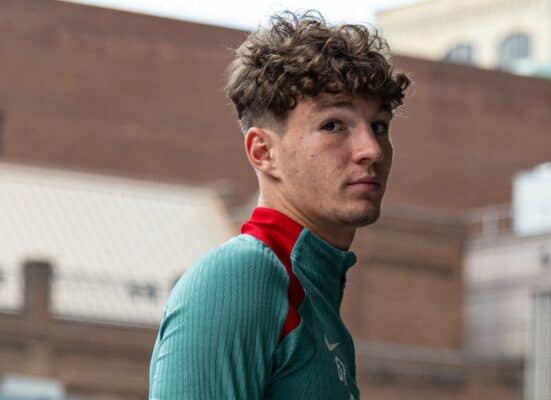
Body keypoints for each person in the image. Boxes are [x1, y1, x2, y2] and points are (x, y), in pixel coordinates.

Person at [149, 10, 410, 399]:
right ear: (263, 151)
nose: (371, 150)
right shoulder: (240, 278)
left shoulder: (316, 302)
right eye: (333, 125)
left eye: (379, 126)